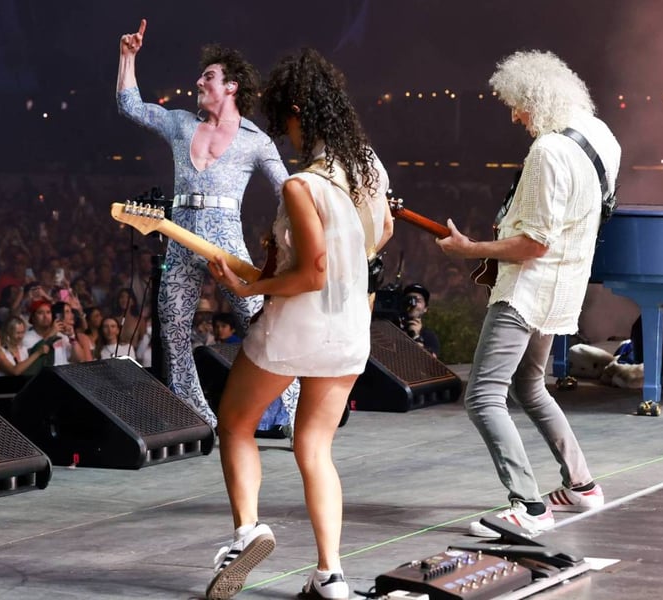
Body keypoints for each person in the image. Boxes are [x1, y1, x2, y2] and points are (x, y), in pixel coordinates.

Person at [204, 48, 393, 600]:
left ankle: (247, 531)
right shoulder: (368, 164)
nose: (282, 133)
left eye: (282, 120)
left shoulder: (300, 185)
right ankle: (331, 574)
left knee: (235, 423)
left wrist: (248, 287)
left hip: (295, 329)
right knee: (314, 445)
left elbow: (311, 274)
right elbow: (379, 233)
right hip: (350, 328)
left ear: (296, 112)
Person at [436, 50, 620, 536]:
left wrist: (470, 248)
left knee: (482, 397)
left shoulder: (548, 151)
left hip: (527, 292)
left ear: (537, 99)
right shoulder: (602, 136)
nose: (515, 116)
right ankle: (581, 485)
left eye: (518, 105)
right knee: (529, 384)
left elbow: (533, 243)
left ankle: (528, 506)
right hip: (564, 291)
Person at [116, 19, 299, 431]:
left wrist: (286, 243)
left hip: (225, 240)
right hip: (180, 236)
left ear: (231, 86)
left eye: (209, 76)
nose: (199, 81)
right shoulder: (181, 124)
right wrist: (127, 57)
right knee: (173, 324)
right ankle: (199, 417)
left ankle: (293, 408)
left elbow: (289, 193)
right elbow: (132, 107)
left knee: (259, 322)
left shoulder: (255, 140)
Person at [399, 283, 440, 358]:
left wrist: (416, 337)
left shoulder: (429, 336)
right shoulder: (391, 327)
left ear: (425, 308)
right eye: (409, 299)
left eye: (418, 301)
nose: (413, 304)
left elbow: (432, 361)